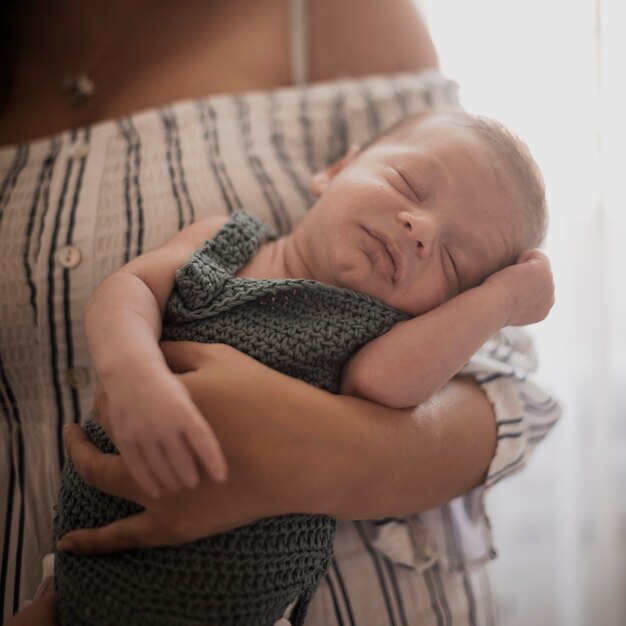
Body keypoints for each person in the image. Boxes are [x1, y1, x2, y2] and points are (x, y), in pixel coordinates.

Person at [0, 1, 561, 624]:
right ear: (336, 169)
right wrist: (132, 372)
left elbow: (381, 385)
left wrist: (502, 298)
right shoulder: (231, 240)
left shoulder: (386, 331)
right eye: (407, 184)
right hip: (88, 568)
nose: (421, 230)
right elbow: (130, 288)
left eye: (455, 263)